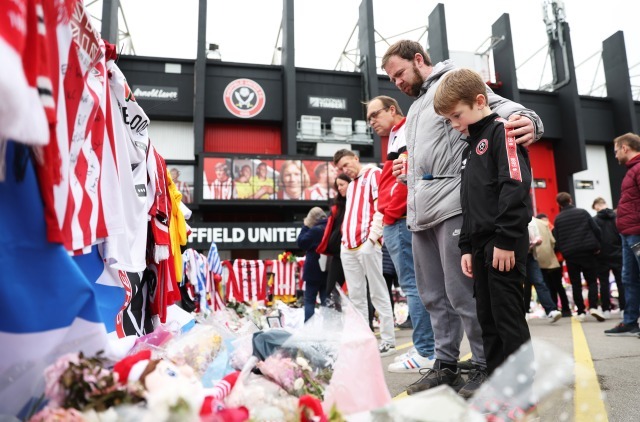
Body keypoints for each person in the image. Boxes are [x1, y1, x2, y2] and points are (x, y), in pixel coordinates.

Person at [381, 40, 543, 396]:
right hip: (421, 209)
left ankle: (488, 364)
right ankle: (446, 364)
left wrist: (531, 121)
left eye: (399, 74)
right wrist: (406, 167)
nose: (397, 83)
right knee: (432, 296)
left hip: (454, 206)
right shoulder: (422, 103)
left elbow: (505, 108)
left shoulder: (454, 81)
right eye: (391, 79)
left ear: (419, 60)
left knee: (463, 295)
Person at [432, 68, 533, 398]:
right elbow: (468, 201)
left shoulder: (503, 134)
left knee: (507, 316)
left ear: (479, 101)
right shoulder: (468, 149)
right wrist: (465, 245)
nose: (454, 124)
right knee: (486, 315)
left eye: (456, 115)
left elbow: (514, 187)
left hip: (503, 243)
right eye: (448, 120)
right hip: (478, 245)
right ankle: (495, 377)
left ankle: (521, 386)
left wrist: (505, 239)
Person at [366, 95, 436, 374]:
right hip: (398, 218)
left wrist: (390, 213)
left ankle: (424, 351)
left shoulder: (406, 131)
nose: (371, 122)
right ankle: (427, 349)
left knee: (414, 286)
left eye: (374, 115)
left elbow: (406, 177)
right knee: (417, 286)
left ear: (391, 109)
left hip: (400, 219)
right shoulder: (397, 135)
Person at [332, 149, 396, 356]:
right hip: (348, 245)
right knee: (357, 296)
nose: (344, 170)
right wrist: (344, 241)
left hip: (366, 242)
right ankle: (364, 338)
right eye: (340, 168)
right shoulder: (352, 186)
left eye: (346, 165)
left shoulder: (373, 174)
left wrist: (372, 239)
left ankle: (388, 340)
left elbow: (381, 208)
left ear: (355, 159)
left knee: (378, 292)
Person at [605, 133, 640, 336]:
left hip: (637, 233)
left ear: (625, 148)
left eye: (616, 150)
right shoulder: (631, 171)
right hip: (628, 235)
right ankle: (630, 322)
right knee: (629, 278)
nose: (616, 155)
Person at [552, 192, 603, 322]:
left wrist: (563, 251)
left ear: (558, 204)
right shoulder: (583, 212)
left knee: (576, 283)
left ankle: (580, 311)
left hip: (571, 255)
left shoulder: (558, 219)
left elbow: (556, 238)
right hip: (587, 251)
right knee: (591, 281)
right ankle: (593, 307)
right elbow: (596, 229)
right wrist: (597, 246)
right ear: (570, 200)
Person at [317, 173, 352, 299]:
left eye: (342, 185)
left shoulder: (358, 203)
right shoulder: (337, 207)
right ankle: (335, 318)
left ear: (351, 184)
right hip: (338, 253)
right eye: (338, 186)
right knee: (331, 292)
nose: (340, 188)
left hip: (354, 251)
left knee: (359, 291)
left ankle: (366, 319)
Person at [534, 213, 572, 317]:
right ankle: (565, 309)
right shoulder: (551, 228)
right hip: (555, 260)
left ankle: (556, 308)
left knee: (551, 285)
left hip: (548, 261)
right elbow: (555, 243)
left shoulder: (543, 228)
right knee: (557, 285)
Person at [525, 219, 563, 322]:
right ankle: (523, 312)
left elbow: (538, 236)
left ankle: (550, 310)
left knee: (539, 282)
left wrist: (536, 241)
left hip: (530, 255)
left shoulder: (532, 221)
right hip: (514, 257)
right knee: (521, 285)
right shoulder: (509, 216)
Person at [592, 197, 623, 317]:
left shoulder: (594, 220)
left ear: (597, 206)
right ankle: (624, 309)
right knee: (621, 282)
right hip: (618, 253)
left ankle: (606, 310)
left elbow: (593, 238)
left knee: (604, 283)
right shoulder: (617, 217)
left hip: (601, 256)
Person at [297, 207, 328, 321]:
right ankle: (327, 329)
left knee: (310, 301)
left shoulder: (315, 230)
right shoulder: (329, 227)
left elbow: (301, 242)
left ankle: (309, 331)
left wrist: (305, 226)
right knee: (326, 302)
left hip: (313, 271)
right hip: (327, 270)